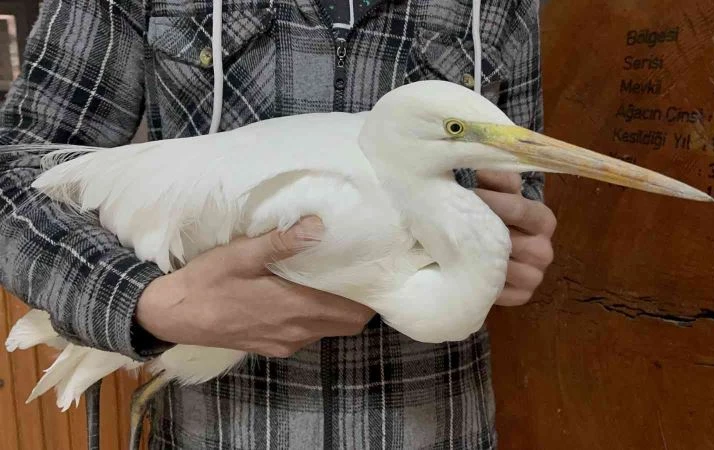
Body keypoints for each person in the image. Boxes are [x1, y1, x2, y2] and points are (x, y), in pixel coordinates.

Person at [0, 0, 555, 448]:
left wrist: (512, 251)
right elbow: (13, 173)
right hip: (214, 430)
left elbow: (519, 184)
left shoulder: (502, 9)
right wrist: (146, 303)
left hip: (440, 425)